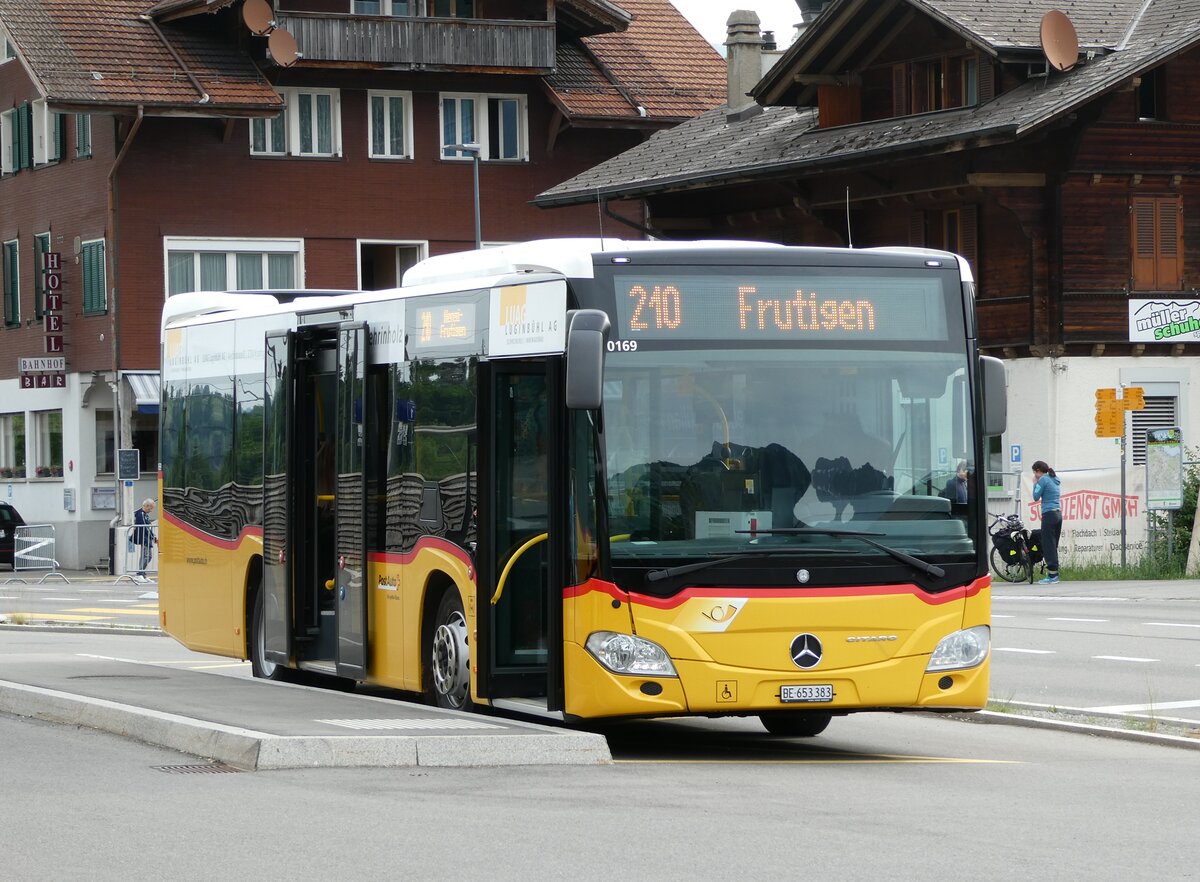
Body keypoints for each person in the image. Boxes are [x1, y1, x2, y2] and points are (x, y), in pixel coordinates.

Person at [1032, 461, 1062, 583]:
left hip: (1049, 514)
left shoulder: (1043, 480)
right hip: (1058, 514)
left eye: (1035, 472)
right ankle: (1055, 573)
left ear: (1038, 470)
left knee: (1048, 544)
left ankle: (1052, 576)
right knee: (1053, 544)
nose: (1034, 475)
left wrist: (1035, 483)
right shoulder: (1054, 478)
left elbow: (1035, 496)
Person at [132, 498, 157, 582]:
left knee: (147, 556)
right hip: (144, 538)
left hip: (146, 538)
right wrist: (152, 537)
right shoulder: (141, 514)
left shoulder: (144, 514)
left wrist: (153, 536)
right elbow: (145, 527)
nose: (151, 510)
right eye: (151, 508)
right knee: (147, 556)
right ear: (146, 506)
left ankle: (142, 574)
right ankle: (139, 574)